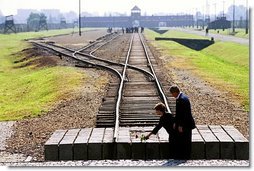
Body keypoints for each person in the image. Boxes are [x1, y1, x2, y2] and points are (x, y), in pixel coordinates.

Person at [169, 85, 196, 160]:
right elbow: (179, 113)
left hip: (186, 124)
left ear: (175, 92)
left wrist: (181, 125)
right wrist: (175, 122)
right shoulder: (181, 97)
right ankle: (183, 155)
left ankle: (185, 156)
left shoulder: (181, 99)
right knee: (184, 140)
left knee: (186, 141)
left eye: (172, 94)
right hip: (185, 123)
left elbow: (185, 114)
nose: (172, 95)